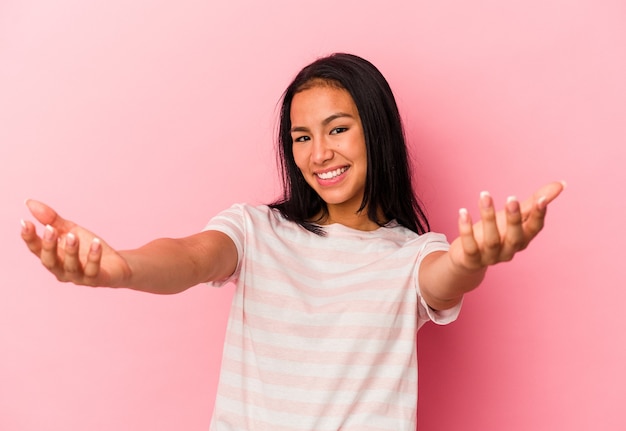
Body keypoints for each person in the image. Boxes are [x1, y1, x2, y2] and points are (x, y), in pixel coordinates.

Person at [21, 53, 564, 430]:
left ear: (377, 131)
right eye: (302, 137)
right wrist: (121, 268)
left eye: (337, 129)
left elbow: (445, 278)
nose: (318, 153)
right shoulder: (258, 232)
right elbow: (189, 256)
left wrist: (473, 257)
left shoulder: (412, 257)